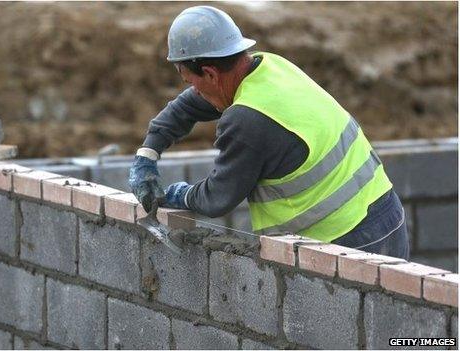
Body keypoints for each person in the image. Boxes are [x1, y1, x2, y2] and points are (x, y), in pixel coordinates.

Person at [128, 5, 410, 259]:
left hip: (351, 242)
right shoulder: (269, 66)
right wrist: (147, 154)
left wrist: (179, 196)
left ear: (211, 74)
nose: (194, 91)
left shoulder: (247, 120)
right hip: (386, 213)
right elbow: (187, 107)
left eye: (194, 82)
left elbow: (218, 197)